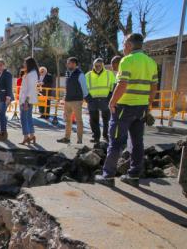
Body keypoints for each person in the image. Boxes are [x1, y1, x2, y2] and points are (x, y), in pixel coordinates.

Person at [95, 33, 158, 187]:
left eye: (124, 44)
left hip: (125, 107)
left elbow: (122, 84)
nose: (123, 47)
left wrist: (112, 101)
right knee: (137, 142)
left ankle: (108, 176)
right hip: (141, 108)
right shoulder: (151, 62)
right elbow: (153, 87)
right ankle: (134, 175)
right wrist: (148, 105)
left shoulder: (127, 60)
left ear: (129, 44)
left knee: (115, 141)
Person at [57, 57, 92, 144]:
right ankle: (67, 138)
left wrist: (87, 99)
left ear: (75, 64)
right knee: (67, 120)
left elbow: (84, 87)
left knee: (79, 120)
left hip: (77, 101)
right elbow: (67, 87)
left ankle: (79, 141)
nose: (69, 64)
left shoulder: (80, 74)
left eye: (71, 63)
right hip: (68, 100)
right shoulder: (67, 73)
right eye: (68, 63)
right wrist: (64, 98)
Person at [85, 58, 116, 143]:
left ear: (102, 65)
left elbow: (114, 86)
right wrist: (88, 98)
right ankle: (96, 137)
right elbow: (83, 88)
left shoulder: (109, 74)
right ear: (93, 65)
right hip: (92, 100)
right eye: (96, 65)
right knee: (93, 120)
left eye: (100, 65)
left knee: (106, 120)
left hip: (105, 100)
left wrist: (110, 98)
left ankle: (106, 136)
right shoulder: (88, 75)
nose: (98, 67)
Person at [19, 57, 39, 145]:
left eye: (25, 63)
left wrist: (26, 101)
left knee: (24, 118)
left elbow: (30, 89)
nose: (24, 65)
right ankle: (31, 136)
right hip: (27, 99)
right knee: (29, 118)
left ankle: (26, 137)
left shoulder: (31, 74)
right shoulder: (32, 73)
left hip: (26, 99)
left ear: (29, 64)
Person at [0, 58, 14, 141]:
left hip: (6, 98)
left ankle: (3, 133)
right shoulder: (0, 74)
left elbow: (9, 86)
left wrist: (8, 98)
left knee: (1, 114)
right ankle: (3, 133)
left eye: (0, 65)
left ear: (4, 65)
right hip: (1, 97)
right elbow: (1, 86)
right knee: (2, 115)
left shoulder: (7, 73)